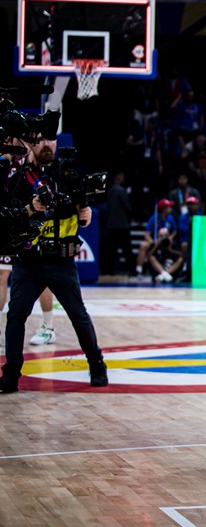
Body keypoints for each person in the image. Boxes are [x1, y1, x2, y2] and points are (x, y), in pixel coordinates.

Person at [1, 135, 108, 392]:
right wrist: (30, 208)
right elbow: (10, 218)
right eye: (39, 141)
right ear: (29, 146)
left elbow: (84, 214)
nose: (46, 144)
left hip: (61, 260)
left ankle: (97, 364)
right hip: (29, 261)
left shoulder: (70, 177)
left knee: (78, 315)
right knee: (15, 316)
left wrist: (86, 214)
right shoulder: (18, 180)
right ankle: (11, 374)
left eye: (51, 140)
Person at [136, 198, 177, 281]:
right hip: (156, 242)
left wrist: (170, 238)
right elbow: (147, 234)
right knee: (143, 245)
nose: (170, 208)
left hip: (167, 242)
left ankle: (170, 271)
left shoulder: (170, 218)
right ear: (164, 209)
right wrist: (152, 242)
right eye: (168, 207)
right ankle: (139, 271)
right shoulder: (153, 218)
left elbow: (175, 231)